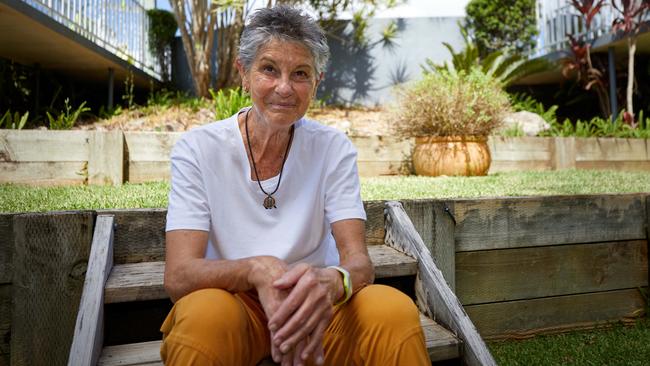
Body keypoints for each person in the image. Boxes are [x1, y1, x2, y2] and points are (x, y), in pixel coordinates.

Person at [160, 5, 429, 366]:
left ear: (317, 81)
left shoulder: (333, 149)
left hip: (317, 306)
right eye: (269, 69)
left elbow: (359, 265)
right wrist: (255, 269)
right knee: (202, 316)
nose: (284, 88)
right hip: (236, 303)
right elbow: (179, 276)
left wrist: (334, 281)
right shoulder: (198, 149)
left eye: (300, 73)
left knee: (391, 310)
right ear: (244, 73)